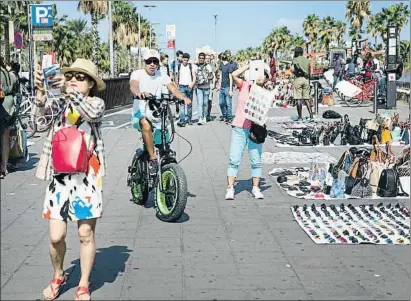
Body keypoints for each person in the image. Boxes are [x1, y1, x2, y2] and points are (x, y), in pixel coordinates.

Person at [34, 58, 106, 300]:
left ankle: (84, 283)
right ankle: (58, 274)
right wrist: (42, 97)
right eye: (71, 75)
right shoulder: (60, 103)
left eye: (81, 77)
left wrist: (68, 92)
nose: (74, 80)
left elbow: (92, 113)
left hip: (87, 177)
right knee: (56, 236)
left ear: (91, 85)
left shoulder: (96, 102)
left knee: (85, 234)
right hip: (60, 177)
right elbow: (39, 123)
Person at [129, 49, 191, 176]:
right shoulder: (137, 74)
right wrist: (138, 93)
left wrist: (182, 97)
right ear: (144, 62)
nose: (152, 64)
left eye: (155, 62)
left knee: (164, 139)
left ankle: (167, 170)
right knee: (146, 125)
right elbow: (133, 86)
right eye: (149, 61)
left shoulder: (162, 75)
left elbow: (172, 87)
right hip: (140, 113)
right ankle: (152, 159)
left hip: (157, 114)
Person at [225, 63, 270, 200]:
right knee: (234, 159)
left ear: (267, 79)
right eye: (258, 73)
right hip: (239, 127)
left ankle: (256, 188)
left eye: (263, 74)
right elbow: (234, 75)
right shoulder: (244, 86)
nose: (260, 76)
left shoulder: (265, 94)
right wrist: (249, 66)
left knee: (256, 160)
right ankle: (230, 188)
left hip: (255, 130)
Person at [0, 58, 18, 179]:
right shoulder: (6, 71)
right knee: (5, 138)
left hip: (3, 104)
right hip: (10, 104)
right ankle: (4, 166)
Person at [291, 47, 313, 120]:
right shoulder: (307, 60)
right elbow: (309, 71)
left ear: (297, 53)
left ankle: (300, 117)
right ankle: (311, 116)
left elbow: (297, 67)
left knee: (298, 99)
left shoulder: (295, 59)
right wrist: (308, 79)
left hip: (298, 79)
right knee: (306, 98)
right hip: (306, 80)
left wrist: (302, 72)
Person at [175, 53, 196, 126]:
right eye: (184, 60)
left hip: (189, 86)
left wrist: (192, 84)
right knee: (182, 104)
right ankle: (182, 120)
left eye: (187, 60)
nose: (185, 62)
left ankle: (189, 119)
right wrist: (176, 86)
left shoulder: (191, 66)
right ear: (182, 59)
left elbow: (194, 77)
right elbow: (177, 77)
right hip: (181, 87)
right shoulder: (179, 66)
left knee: (189, 104)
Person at [195, 52, 214, 125]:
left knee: (205, 103)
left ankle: (205, 117)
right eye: (200, 58)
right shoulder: (195, 66)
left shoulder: (208, 66)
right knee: (200, 103)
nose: (201, 60)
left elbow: (212, 76)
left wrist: (206, 78)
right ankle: (200, 118)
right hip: (199, 87)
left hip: (206, 87)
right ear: (198, 58)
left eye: (203, 58)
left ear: (204, 59)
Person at [218, 50, 237, 123]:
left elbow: (230, 77)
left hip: (227, 87)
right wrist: (219, 85)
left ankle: (229, 117)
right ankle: (224, 115)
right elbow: (220, 76)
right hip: (222, 87)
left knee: (228, 103)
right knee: (221, 103)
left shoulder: (229, 65)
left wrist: (231, 89)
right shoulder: (221, 65)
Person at [205, 54, 217, 122]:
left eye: (209, 58)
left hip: (210, 85)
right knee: (204, 101)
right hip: (203, 85)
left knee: (209, 101)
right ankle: (204, 115)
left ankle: (208, 115)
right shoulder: (202, 65)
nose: (207, 59)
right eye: (206, 58)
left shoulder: (211, 66)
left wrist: (213, 84)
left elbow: (214, 76)